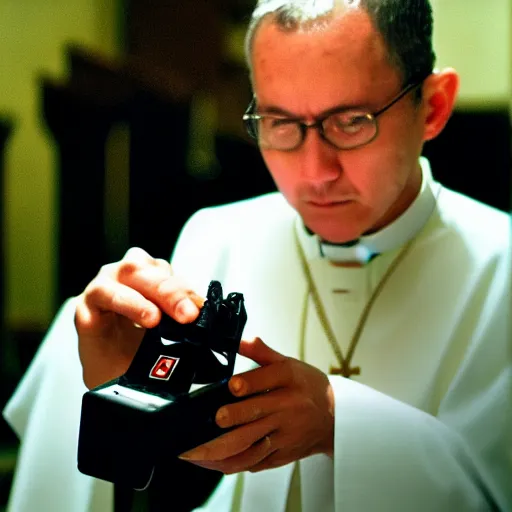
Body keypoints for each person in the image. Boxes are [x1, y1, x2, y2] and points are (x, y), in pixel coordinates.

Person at [3, 0, 511, 510]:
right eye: (279, 122)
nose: (315, 173)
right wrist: (116, 376)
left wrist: (338, 422)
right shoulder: (217, 237)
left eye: (352, 121)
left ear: (434, 106)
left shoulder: (503, 266)